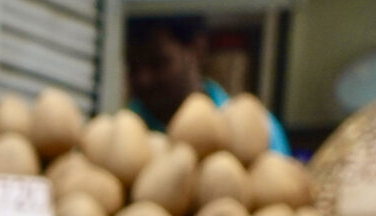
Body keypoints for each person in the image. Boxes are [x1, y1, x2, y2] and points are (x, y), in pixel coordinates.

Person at [125, 15, 292, 152]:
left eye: (158, 63)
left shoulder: (262, 131)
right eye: (133, 66)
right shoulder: (127, 130)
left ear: (197, 49)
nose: (143, 79)